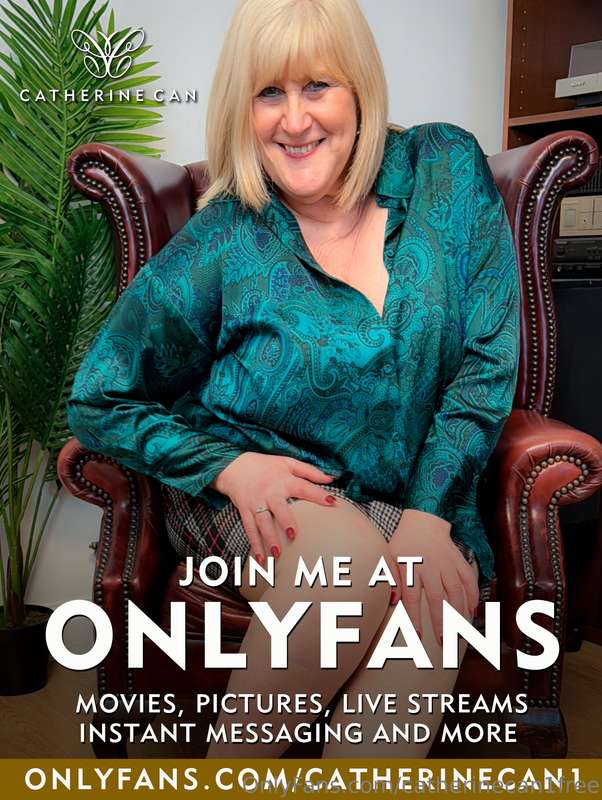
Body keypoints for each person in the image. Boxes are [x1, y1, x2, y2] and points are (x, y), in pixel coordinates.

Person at [66, 0, 520, 757]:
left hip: (414, 497)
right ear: (241, 107)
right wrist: (229, 467)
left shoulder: (445, 168)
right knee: (346, 569)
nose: (295, 119)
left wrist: (429, 516)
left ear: (360, 89)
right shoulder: (224, 237)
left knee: (432, 610)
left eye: (317, 86)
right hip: (256, 490)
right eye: (268, 92)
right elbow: (98, 396)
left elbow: (486, 363)